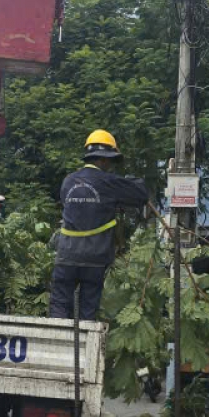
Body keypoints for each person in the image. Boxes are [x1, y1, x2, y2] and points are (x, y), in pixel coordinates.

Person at [49, 129, 151, 321]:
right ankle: (85, 348)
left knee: (60, 304)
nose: (111, 166)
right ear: (104, 160)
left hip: (66, 255)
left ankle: (60, 347)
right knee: (88, 308)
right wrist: (127, 182)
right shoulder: (108, 182)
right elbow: (140, 194)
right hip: (94, 257)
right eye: (110, 161)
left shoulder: (68, 181)